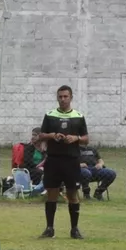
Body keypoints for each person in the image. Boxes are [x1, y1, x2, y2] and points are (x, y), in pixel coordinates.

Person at [39, 85, 89, 239]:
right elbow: (40, 135)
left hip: (71, 160)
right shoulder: (50, 115)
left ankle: (74, 229)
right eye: (60, 96)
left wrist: (76, 138)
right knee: (52, 193)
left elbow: (86, 139)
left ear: (71, 97)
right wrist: (52, 135)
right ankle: (49, 228)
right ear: (57, 97)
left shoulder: (78, 116)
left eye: (65, 96)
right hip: (53, 159)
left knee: (72, 194)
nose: (62, 99)